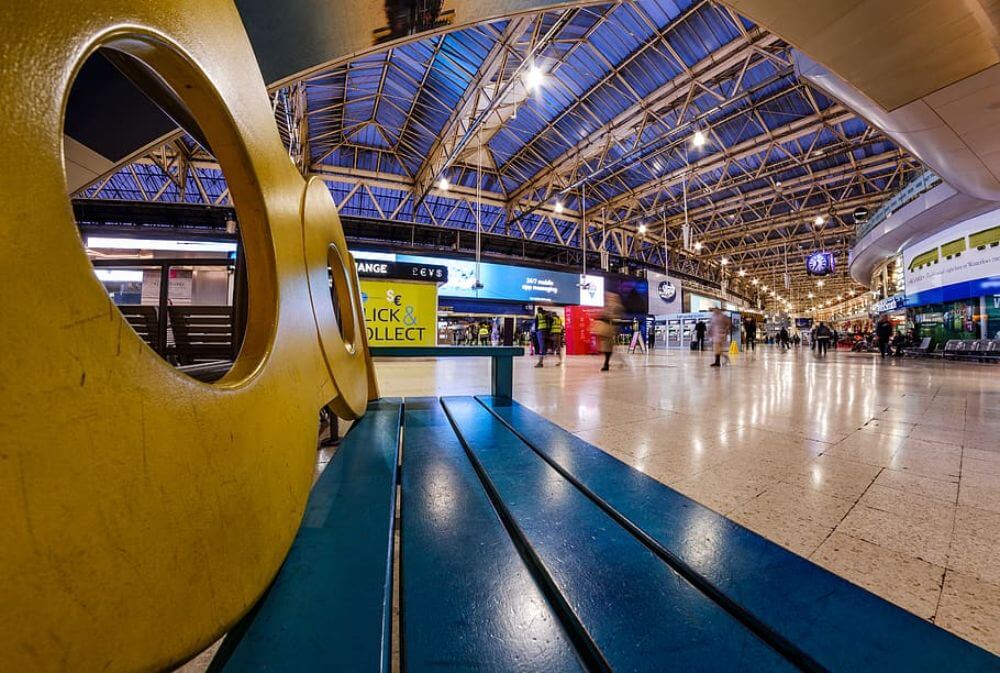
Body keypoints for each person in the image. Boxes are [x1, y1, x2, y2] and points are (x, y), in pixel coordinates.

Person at [591, 292, 623, 372]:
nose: (608, 298)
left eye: (610, 297)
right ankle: (608, 362)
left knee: (608, 347)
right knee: (606, 347)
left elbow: (614, 317)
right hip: (606, 329)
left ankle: (606, 363)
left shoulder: (617, 307)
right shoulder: (608, 306)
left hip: (610, 328)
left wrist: (603, 317)